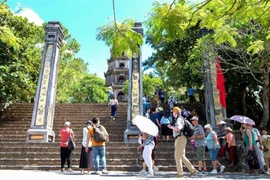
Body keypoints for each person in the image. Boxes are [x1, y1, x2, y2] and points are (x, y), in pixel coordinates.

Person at [167, 107, 197, 178]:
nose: (172, 113)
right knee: (182, 156)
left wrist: (170, 127)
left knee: (177, 156)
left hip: (180, 138)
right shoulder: (180, 119)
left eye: (173, 112)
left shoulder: (179, 119)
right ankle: (192, 170)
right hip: (181, 138)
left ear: (176, 112)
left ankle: (180, 174)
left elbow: (178, 129)